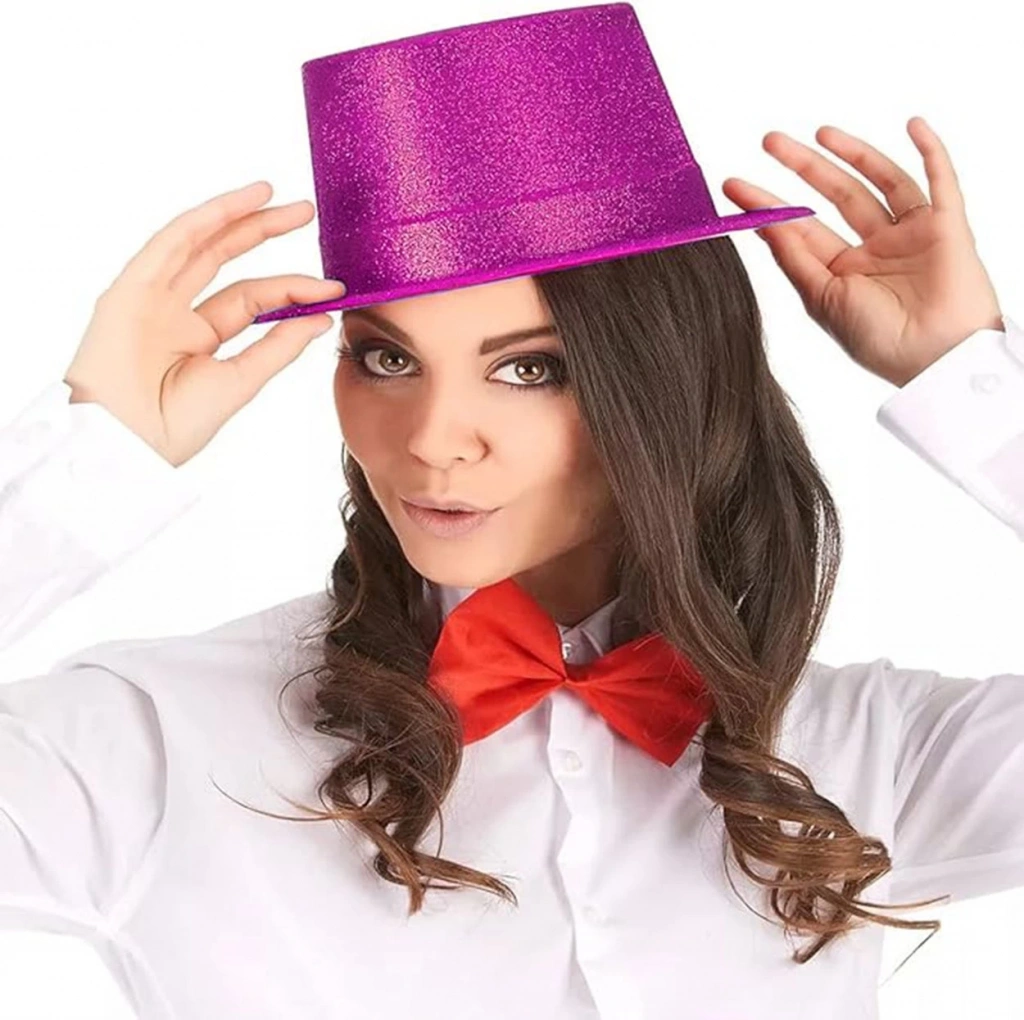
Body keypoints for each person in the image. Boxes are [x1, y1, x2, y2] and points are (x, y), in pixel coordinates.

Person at [3, 7, 1024, 1020]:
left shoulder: (865, 753)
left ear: (667, 381)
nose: (434, 438)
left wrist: (973, 390)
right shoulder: (159, 741)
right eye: (386, 357)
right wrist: (94, 453)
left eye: (530, 369)